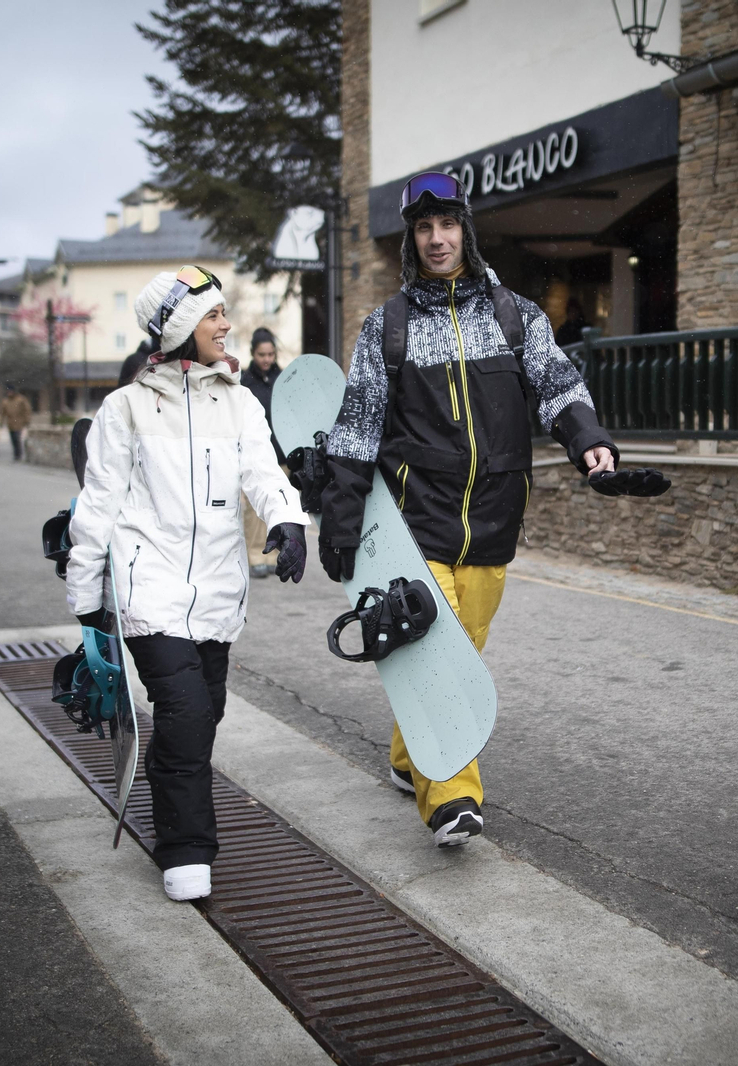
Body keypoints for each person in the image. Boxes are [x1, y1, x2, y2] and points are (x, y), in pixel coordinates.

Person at [320, 171, 618, 849]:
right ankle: (453, 800)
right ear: (410, 239)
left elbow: (558, 386)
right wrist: (340, 520)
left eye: (447, 225)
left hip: (492, 522)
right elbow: (358, 426)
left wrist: (590, 443)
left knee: (459, 651)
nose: (436, 239)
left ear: (466, 230)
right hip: (416, 521)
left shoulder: (515, 316)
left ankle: (410, 757)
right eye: (423, 229)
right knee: (436, 652)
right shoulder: (386, 329)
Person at [65, 265, 310, 903]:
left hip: (218, 591)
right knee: (187, 710)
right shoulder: (124, 409)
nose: (226, 326)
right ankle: (187, 848)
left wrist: (288, 520)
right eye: (212, 316)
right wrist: (88, 599)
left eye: (224, 313)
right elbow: (97, 505)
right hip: (151, 589)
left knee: (203, 715)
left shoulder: (238, 400)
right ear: (178, 327)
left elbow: (263, 469)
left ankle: (170, 789)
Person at [241, 327, 285, 577]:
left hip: (281, 454)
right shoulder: (245, 382)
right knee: (257, 509)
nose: (266, 359)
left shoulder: (285, 378)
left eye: (270, 354)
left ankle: (278, 555)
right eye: (261, 354)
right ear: (253, 354)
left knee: (280, 507)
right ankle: (256, 555)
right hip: (257, 454)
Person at [0, 384, 32, 461]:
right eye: (8, 391)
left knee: (17, 438)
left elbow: (27, 410)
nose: (9, 393)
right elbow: (2, 413)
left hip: (19, 422)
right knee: (13, 439)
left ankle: (18, 454)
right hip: (10, 423)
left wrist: (27, 420)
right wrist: (1, 422)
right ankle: (16, 454)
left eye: (11, 391)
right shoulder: (5, 401)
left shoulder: (21, 399)